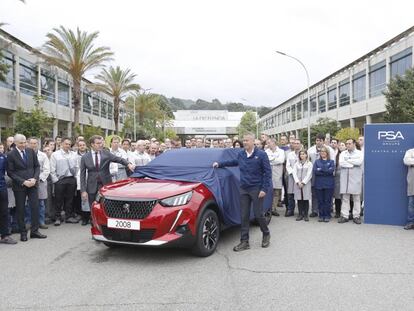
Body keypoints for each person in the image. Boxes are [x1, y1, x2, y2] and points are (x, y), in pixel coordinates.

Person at [213, 133, 271, 251]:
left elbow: (267, 173)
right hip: (244, 188)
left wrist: (264, 189)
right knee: (244, 215)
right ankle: (244, 241)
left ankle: (266, 233)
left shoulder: (261, 155)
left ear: (253, 141)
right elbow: (233, 162)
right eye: (243, 141)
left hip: (257, 188)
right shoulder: (241, 154)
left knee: (258, 214)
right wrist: (219, 164)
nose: (244, 142)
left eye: (247, 140)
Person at [7, 134, 46, 241]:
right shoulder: (11, 154)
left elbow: (37, 166)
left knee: (35, 207)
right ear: (15, 142)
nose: (24, 144)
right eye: (21, 143)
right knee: (20, 209)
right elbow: (10, 172)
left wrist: (34, 178)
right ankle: (23, 233)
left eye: (25, 142)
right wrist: (23, 182)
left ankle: (34, 231)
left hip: (33, 184)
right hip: (20, 186)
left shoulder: (30, 151)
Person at [80, 135, 135, 208]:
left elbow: (118, 159)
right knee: (93, 207)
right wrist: (83, 190)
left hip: (105, 184)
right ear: (92, 144)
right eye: (98, 143)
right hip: (92, 186)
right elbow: (82, 175)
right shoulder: (85, 157)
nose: (101, 145)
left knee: (107, 206)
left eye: (101, 143)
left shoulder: (106, 153)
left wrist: (128, 164)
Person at [50, 137, 79, 225]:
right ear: (61, 144)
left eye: (69, 144)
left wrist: (75, 178)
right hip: (60, 180)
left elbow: (77, 167)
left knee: (70, 199)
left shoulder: (74, 154)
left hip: (71, 179)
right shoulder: (55, 154)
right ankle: (57, 217)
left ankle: (68, 216)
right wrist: (56, 181)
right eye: (66, 144)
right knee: (58, 199)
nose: (68, 146)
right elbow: (52, 169)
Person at [308, 133, 336, 217]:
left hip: (327, 177)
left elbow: (332, 163)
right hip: (315, 174)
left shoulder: (330, 150)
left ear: (323, 141)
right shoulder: (310, 150)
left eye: (320, 140)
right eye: (317, 140)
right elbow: (309, 163)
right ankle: (315, 210)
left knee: (327, 196)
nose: (318, 142)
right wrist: (320, 169)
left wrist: (324, 169)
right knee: (315, 194)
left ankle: (328, 211)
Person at [338, 138, 364, 224]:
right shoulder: (342, 153)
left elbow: (359, 162)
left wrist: (348, 160)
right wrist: (352, 163)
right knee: (345, 198)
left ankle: (356, 216)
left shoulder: (359, 153)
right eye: (346, 144)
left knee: (356, 198)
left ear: (354, 144)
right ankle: (344, 215)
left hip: (355, 178)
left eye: (349, 143)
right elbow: (341, 163)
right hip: (345, 178)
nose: (347, 145)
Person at [27, 137, 50, 229]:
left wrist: (37, 179)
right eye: (32, 143)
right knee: (28, 203)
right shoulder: (25, 154)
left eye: (35, 143)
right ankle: (28, 222)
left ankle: (41, 221)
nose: (34, 145)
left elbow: (46, 169)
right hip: (28, 182)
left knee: (41, 203)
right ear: (28, 144)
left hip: (40, 182)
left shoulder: (43, 155)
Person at [313, 147, 335, 222]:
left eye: (324, 151)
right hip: (319, 184)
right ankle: (321, 215)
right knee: (320, 200)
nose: (322, 153)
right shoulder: (316, 162)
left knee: (327, 200)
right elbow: (316, 171)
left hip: (329, 184)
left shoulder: (331, 161)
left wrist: (321, 169)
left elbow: (331, 171)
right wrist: (326, 169)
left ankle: (327, 215)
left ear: (327, 153)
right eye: (321, 151)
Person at [0, 143, 17, 244]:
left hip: (2, 188)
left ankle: (4, 235)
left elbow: (10, 172)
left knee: (4, 212)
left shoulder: (2, 157)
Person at [265, 138, 285, 216]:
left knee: (276, 192)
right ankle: (268, 208)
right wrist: (274, 160)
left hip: (277, 174)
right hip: (269, 174)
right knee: (269, 191)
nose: (268, 144)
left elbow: (281, 160)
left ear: (273, 142)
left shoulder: (281, 151)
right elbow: (266, 161)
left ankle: (274, 208)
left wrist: (271, 160)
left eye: (269, 143)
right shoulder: (266, 151)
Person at [292, 150, 313, 222]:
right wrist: (298, 182)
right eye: (301, 154)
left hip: (305, 184)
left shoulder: (309, 164)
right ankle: (300, 214)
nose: (302, 156)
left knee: (305, 199)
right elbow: (294, 173)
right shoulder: (296, 164)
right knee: (299, 199)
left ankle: (306, 214)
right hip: (298, 184)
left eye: (303, 154)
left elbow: (309, 174)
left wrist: (303, 182)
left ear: (306, 155)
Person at [73, 140, 89, 225]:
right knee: (81, 198)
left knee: (89, 198)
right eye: (80, 145)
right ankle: (83, 217)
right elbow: (74, 168)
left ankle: (90, 216)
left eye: (83, 145)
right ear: (78, 146)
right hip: (78, 178)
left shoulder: (90, 154)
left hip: (89, 179)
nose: (82, 146)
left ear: (86, 146)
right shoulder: (74, 155)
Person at [285, 139, 301, 217]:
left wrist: (297, 174)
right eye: (295, 143)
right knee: (290, 194)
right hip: (291, 176)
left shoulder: (303, 154)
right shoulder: (290, 154)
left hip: (300, 176)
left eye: (298, 143)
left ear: (300, 145)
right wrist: (292, 173)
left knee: (299, 193)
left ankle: (301, 211)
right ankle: (290, 210)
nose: (296, 145)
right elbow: (288, 165)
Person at [403, 147, 414, 230]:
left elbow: (410, 161)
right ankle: (411, 222)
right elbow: (406, 161)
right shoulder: (410, 151)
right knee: (411, 203)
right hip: (412, 182)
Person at [331, 138, 342, 218]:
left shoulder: (341, 153)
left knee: (338, 195)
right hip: (329, 176)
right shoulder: (328, 152)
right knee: (330, 194)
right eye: (332, 142)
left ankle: (338, 211)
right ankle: (330, 209)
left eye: (335, 142)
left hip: (338, 176)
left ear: (338, 144)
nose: (333, 144)